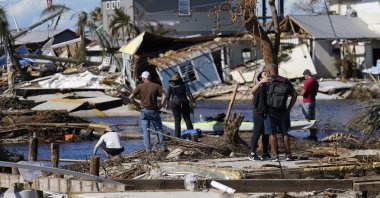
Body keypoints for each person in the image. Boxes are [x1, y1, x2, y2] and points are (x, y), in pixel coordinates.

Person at [264, 63, 297, 162]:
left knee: (272, 133)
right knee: (285, 133)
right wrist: (289, 109)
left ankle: (275, 156)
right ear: (277, 70)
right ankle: (288, 155)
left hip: (270, 111)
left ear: (269, 71)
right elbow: (294, 95)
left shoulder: (267, 81)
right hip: (283, 111)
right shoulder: (285, 81)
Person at [129, 71, 167, 152]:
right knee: (159, 129)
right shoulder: (156, 86)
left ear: (143, 78)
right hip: (154, 110)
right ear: (149, 77)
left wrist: (137, 105)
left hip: (144, 111)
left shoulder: (140, 86)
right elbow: (164, 96)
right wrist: (160, 106)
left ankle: (148, 149)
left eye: (141, 78)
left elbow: (130, 97)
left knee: (146, 131)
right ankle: (163, 147)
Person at [248, 71, 271, 161]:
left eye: (267, 74)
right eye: (264, 74)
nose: (267, 75)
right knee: (257, 132)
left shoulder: (269, 86)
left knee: (266, 133)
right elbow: (252, 91)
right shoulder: (259, 86)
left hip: (267, 112)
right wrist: (260, 82)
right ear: (260, 78)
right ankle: (252, 153)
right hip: (258, 112)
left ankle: (265, 153)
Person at [166, 72, 195, 138]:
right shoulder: (184, 84)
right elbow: (189, 94)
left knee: (177, 120)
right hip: (184, 102)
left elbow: (168, 96)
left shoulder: (171, 85)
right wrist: (193, 102)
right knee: (187, 119)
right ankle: (190, 136)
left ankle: (177, 136)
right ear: (179, 78)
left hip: (173, 103)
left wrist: (166, 104)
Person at [300, 69, 319, 141]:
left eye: (304, 75)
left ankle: (312, 135)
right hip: (313, 102)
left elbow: (303, 93)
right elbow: (314, 92)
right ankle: (313, 135)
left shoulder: (307, 81)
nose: (304, 77)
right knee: (312, 120)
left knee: (308, 120)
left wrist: (300, 91)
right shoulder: (316, 82)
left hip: (307, 102)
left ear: (306, 74)